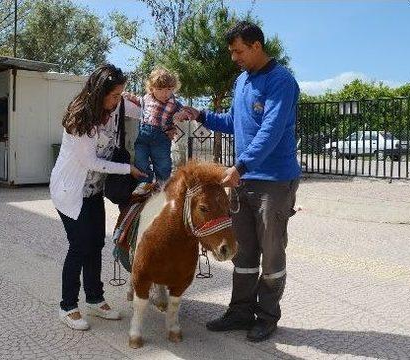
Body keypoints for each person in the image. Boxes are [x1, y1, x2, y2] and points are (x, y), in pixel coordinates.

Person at [177, 21, 301, 342]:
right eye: (232, 51)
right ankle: (240, 311)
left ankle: (267, 316)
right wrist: (200, 114)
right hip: (244, 181)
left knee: (272, 252)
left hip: (273, 182)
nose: (234, 57)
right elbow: (235, 122)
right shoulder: (242, 81)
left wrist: (241, 165)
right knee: (242, 251)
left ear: (256, 46)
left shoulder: (281, 81)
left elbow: (271, 131)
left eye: (238, 50)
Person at [50, 64, 146, 331]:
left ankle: (94, 298)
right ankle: (67, 306)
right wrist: (128, 169)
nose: (118, 100)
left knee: (95, 244)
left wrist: (149, 101)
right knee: (80, 245)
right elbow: (90, 161)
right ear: (99, 92)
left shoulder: (114, 108)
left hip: (93, 191)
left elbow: (148, 109)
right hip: (70, 191)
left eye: (120, 95)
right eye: (114, 95)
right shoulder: (80, 117)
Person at [123, 67, 184, 194]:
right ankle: (145, 182)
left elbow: (184, 112)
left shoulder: (174, 103)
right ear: (152, 89)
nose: (165, 93)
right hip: (143, 137)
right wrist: (130, 97)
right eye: (160, 89)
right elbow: (139, 101)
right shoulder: (147, 98)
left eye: (169, 89)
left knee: (163, 163)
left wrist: (181, 115)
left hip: (161, 138)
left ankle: (164, 185)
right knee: (140, 160)